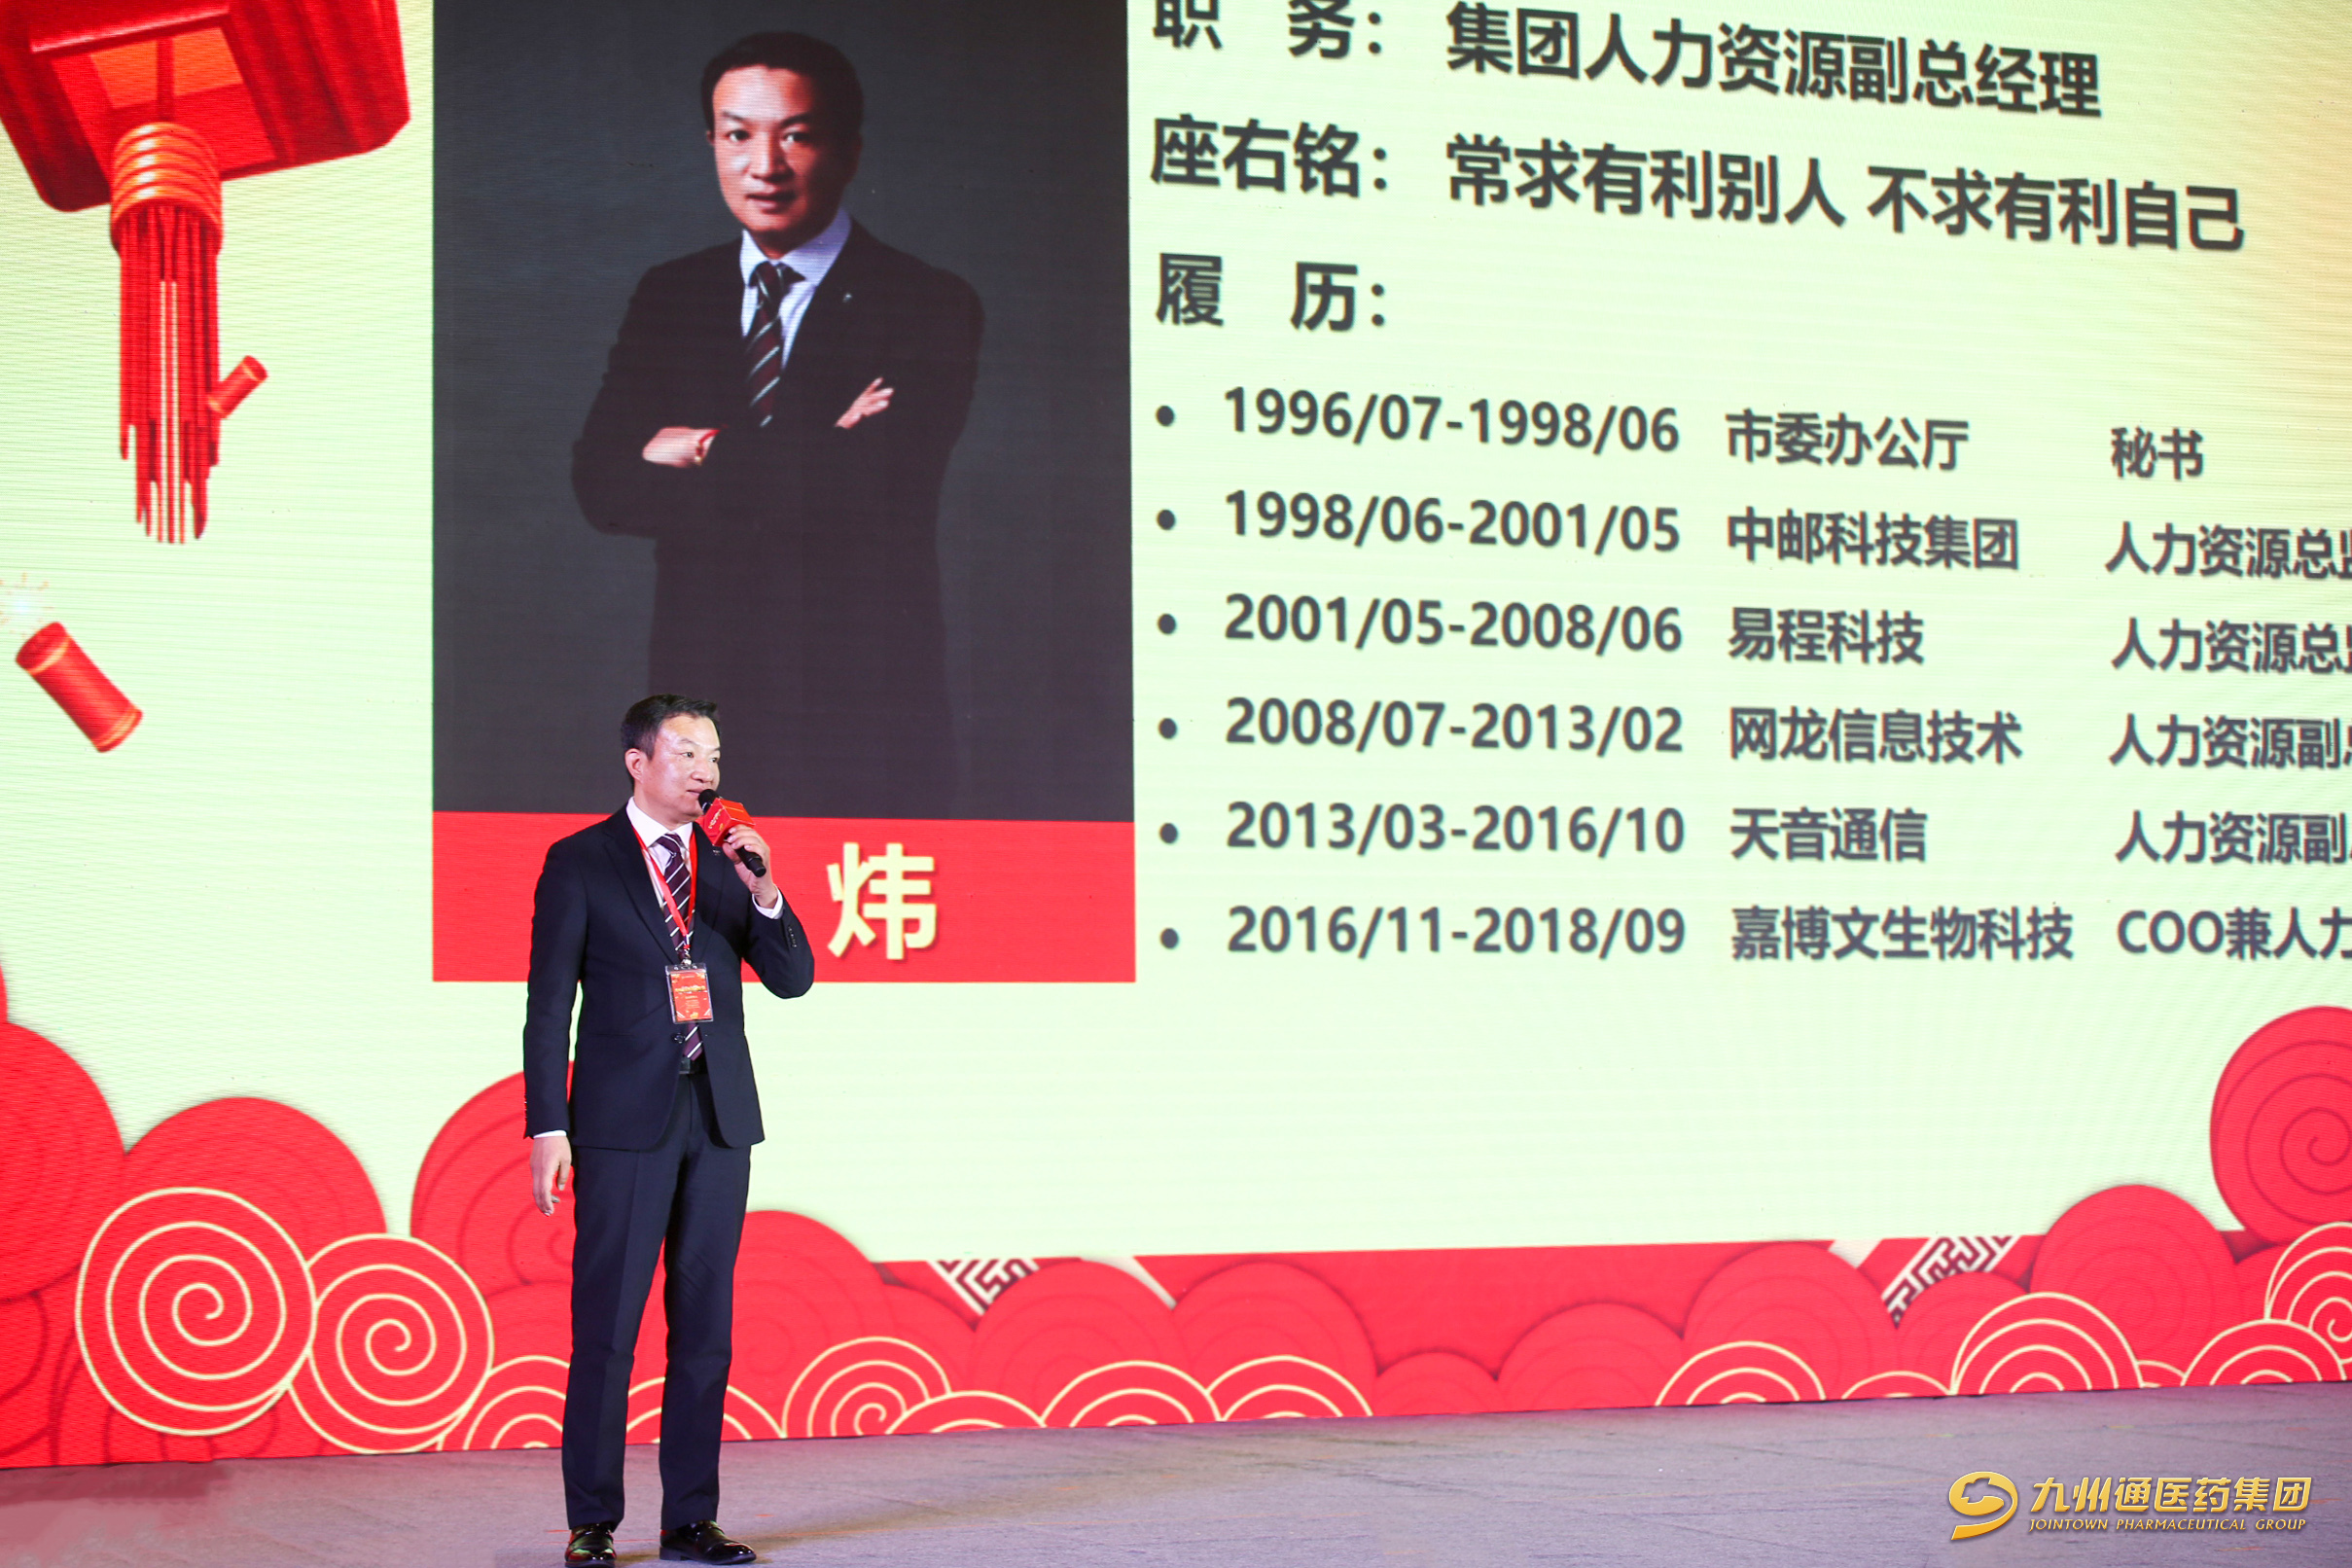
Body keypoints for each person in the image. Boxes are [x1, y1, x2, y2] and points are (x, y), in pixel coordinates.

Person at [572, 31, 983, 820]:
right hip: (698, 708)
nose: (764, 165)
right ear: (711, 143)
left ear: (849, 151)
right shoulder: (671, 294)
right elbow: (604, 485)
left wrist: (698, 446)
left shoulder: (927, 302)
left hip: (865, 701)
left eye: (796, 135)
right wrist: (818, 448)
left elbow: (866, 486)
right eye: (737, 135)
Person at [523, 695, 815, 1567]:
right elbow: (548, 1007)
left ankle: (691, 1518)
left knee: (705, 1331)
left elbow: (793, 978)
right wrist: (548, 1126)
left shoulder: (727, 862)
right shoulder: (581, 861)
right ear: (638, 762)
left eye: (713, 756)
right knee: (608, 1326)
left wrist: (765, 887)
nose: (704, 771)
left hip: (718, 1119)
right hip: (621, 1125)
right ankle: (593, 1520)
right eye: (686, 753)